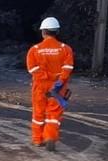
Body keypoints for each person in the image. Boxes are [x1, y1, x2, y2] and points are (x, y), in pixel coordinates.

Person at [26, 17, 74, 152]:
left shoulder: (34, 50)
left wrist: (46, 77)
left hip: (40, 86)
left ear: (43, 32)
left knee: (38, 113)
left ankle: (37, 139)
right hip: (59, 86)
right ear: (57, 31)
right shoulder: (66, 49)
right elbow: (68, 67)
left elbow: (32, 69)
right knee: (54, 114)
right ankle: (50, 137)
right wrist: (58, 80)